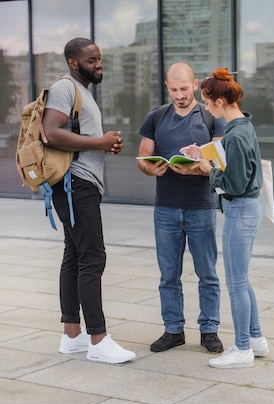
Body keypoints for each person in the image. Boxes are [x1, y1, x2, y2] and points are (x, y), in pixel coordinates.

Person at [42, 37, 135, 364]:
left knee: (75, 254)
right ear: (73, 62)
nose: (99, 65)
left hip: (77, 185)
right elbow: (50, 132)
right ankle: (98, 339)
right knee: (93, 257)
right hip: (74, 185)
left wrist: (103, 144)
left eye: (99, 59)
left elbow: (76, 137)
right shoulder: (65, 88)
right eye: (92, 60)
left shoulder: (81, 91)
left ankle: (72, 336)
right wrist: (99, 142)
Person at [137, 62, 226, 354]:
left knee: (207, 273)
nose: (179, 94)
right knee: (168, 275)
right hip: (165, 208)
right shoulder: (156, 117)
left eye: (184, 88)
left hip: (200, 206)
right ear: (167, 87)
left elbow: (219, 163)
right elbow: (143, 157)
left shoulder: (211, 117)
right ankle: (173, 330)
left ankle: (209, 329)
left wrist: (198, 170)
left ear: (196, 85)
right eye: (174, 89)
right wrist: (151, 170)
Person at [186, 67, 269, 368]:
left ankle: (243, 348)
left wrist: (208, 170)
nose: (206, 108)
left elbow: (233, 182)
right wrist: (205, 153)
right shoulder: (243, 125)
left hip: (240, 210)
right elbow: (239, 164)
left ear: (220, 102)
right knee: (241, 279)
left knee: (235, 283)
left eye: (207, 103)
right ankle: (256, 339)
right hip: (249, 209)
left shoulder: (235, 134)